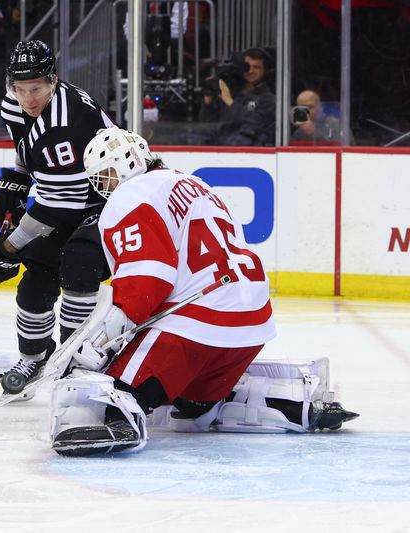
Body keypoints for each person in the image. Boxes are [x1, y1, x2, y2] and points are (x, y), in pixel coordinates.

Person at [48, 126, 358, 456]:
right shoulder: (195, 184)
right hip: (251, 325)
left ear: (126, 163)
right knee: (191, 407)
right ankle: (284, 402)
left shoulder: (130, 195)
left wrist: (103, 342)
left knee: (113, 393)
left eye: (107, 176)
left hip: (196, 326)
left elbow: (148, 277)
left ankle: (120, 421)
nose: (105, 187)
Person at [0, 40, 114, 395]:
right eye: (20, 89)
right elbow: (28, 153)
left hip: (109, 203)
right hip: (67, 199)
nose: (28, 98)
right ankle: (35, 358)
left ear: (53, 81)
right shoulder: (13, 106)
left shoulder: (67, 124)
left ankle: (75, 361)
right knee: (35, 286)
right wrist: (15, 180)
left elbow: (56, 206)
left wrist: (6, 249)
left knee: (79, 264)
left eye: (36, 88)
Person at [199, 47, 275, 146]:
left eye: (256, 67)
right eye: (247, 67)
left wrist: (230, 102)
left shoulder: (268, 99)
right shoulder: (231, 93)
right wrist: (208, 103)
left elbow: (254, 124)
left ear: (265, 71)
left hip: (248, 154)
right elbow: (208, 124)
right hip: (218, 152)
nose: (250, 71)